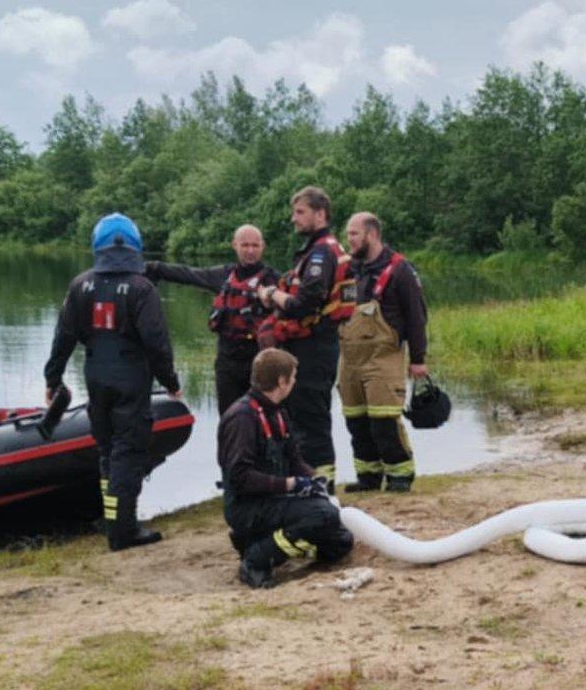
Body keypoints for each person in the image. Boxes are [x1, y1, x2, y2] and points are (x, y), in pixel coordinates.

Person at [43, 213, 181, 551]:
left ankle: (113, 521)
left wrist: (53, 378)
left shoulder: (80, 285)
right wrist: (170, 381)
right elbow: (157, 343)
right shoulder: (141, 288)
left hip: (96, 376)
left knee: (107, 450)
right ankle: (123, 530)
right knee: (128, 451)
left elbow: (63, 337)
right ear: (134, 246)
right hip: (131, 378)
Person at [218, 347, 354, 588]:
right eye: (293, 378)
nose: (294, 382)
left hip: (273, 500)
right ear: (281, 381)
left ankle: (261, 541)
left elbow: (294, 460)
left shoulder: (277, 413)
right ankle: (256, 559)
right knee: (323, 516)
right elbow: (239, 477)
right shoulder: (242, 418)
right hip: (248, 506)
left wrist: (315, 480)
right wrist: (290, 484)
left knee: (340, 541)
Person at [259, 186, 344, 484]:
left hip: (315, 347)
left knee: (312, 420)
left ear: (320, 214)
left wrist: (272, 294)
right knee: (304, 418)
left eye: (300, 212)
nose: (293, 219)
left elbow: (304, 303)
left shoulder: (321, 253)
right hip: (314, 345)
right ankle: (313, 483)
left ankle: (321, 486)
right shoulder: (317, 250)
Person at [338, 211, 429, 492]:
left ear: (372, 234)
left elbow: (417, 316)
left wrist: (418, 359)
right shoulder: (350, 271)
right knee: (356, 420)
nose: (349, 239)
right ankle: (368, 477)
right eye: (348, 234)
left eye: (354, 234)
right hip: (350, 357)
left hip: (384, 356)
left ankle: (401, 475)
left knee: (383, 420)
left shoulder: (400, 269)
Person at [146, 224, 279, 414]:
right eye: (245, 245)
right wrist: (154, 269)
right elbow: (188, 274)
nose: (250, 251)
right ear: (235, 245)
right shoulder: (223, 276)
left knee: (261, 420)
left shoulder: (274, 281)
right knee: (228, 418)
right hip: (227, 361)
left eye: (255, 246)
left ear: (263, 246)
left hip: (259, 361)